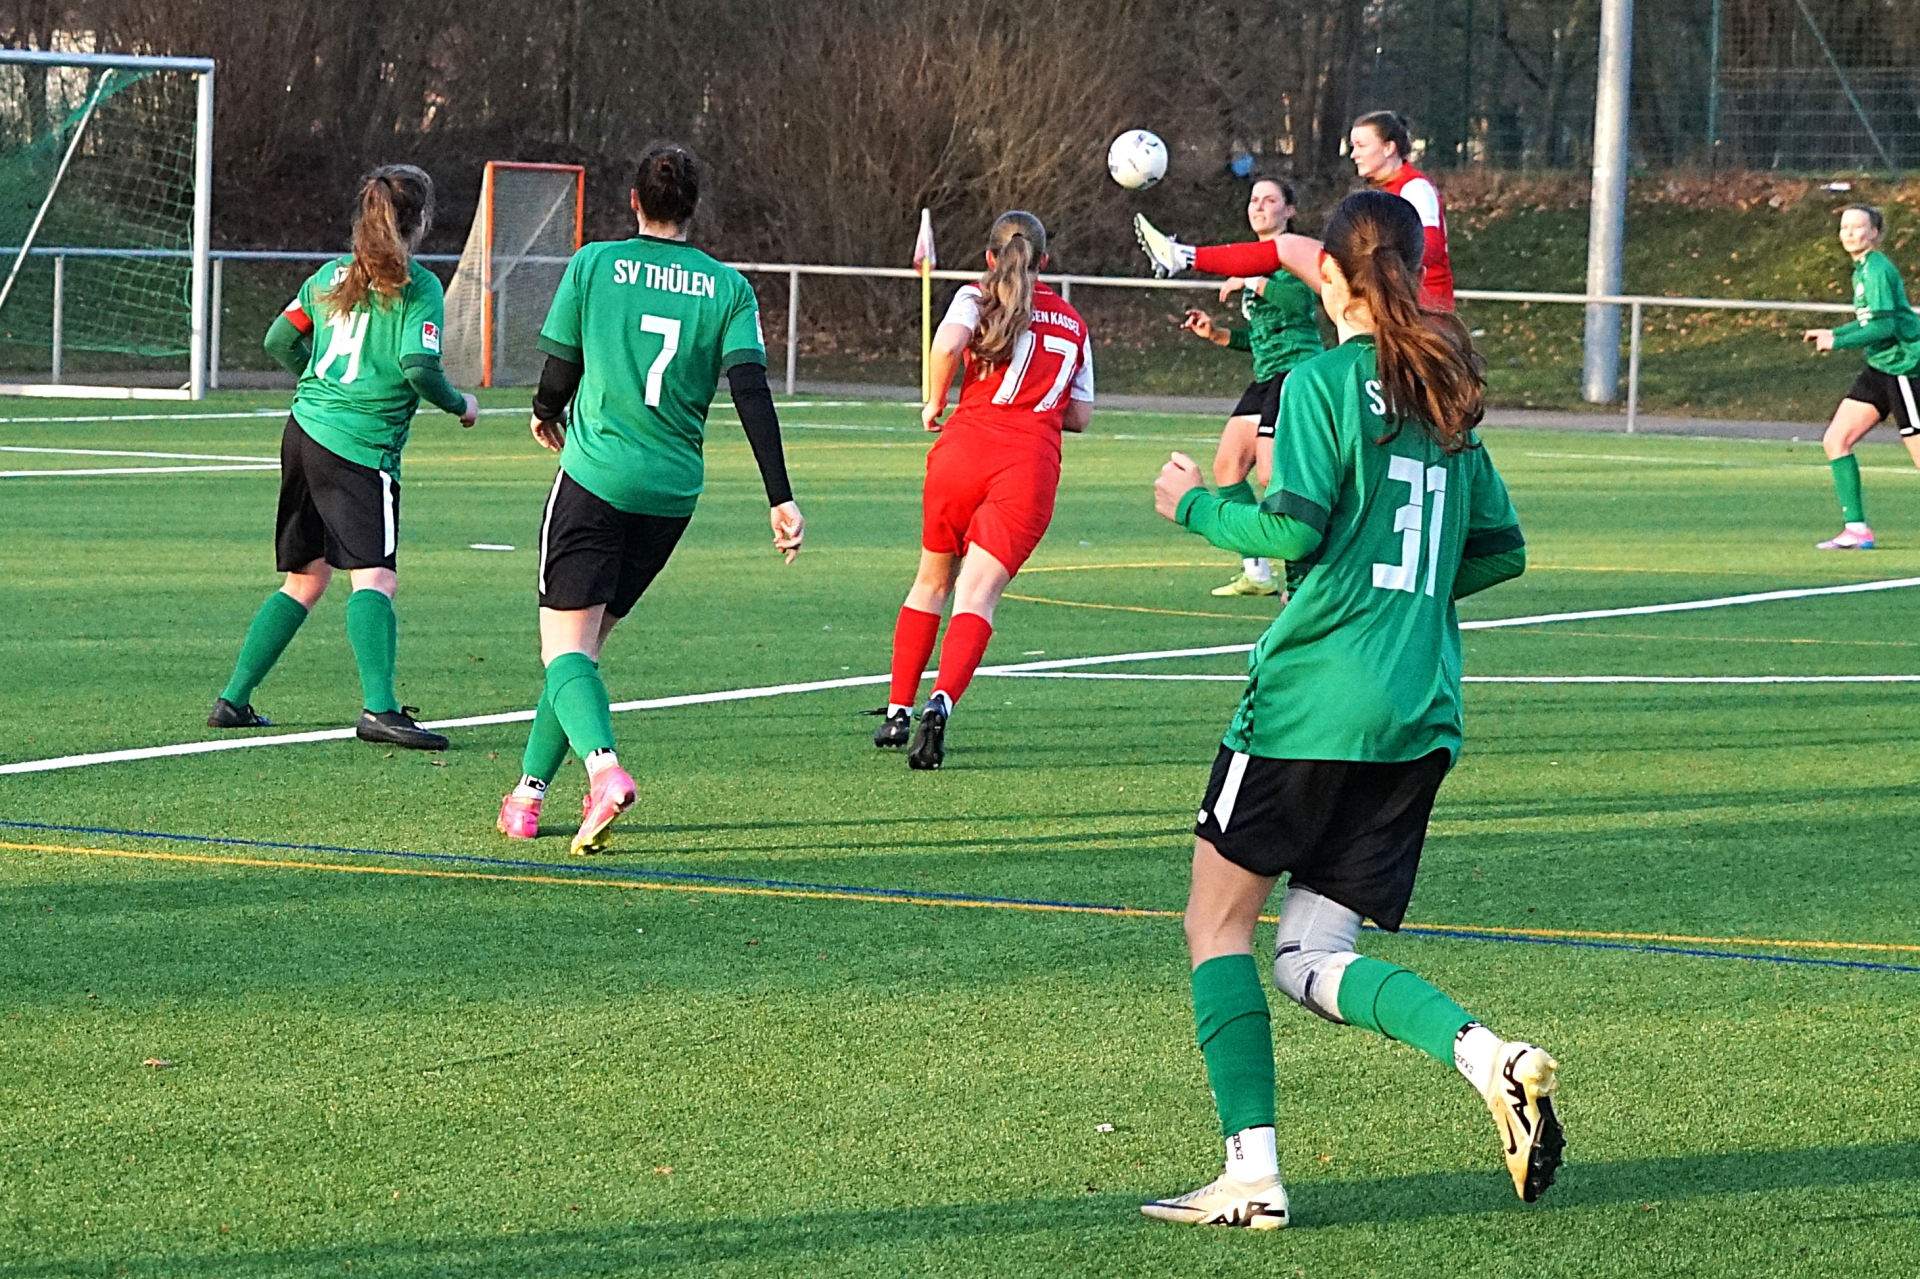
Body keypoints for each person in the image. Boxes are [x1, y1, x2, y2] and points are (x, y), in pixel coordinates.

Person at [1139, 190, 1558, 1231]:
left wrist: (1194, 504)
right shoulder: (1441, 390)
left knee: (1215, 924)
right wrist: (1405, 593)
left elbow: (1291, 532)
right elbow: (1502, 549)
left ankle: (1252, 1174)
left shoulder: (1322, 383)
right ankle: (1489, 1057)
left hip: (1308, 705)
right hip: (1417, 713)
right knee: (1309, 957)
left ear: (1326, 274)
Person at [497, 143, 805, 853]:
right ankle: (527, 797)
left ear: (633, 200)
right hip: (669, 496)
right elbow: (751, 391)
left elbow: (560, 366)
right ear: (694, 207)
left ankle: (604, 772)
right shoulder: (729, 288)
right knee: (582, 652)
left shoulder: (595, 264)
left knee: (562, 651)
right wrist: (779, 497)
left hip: (596, 477)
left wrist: (545, 410)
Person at [208, 164, 479, 751]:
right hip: (359, 448)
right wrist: (461, 405)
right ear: (421, 221)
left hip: (303, 433)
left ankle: (233, 700)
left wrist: (318, 384)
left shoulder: (330, 276)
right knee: (375, 576)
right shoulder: (417, 287)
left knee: (306, 577)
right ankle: (379, 709)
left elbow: (279, 339)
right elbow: (418, 367)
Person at [874, 211, 1093, 769]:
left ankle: (897, 710)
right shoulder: (1074, 323)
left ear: (990, 257)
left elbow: (947, 346)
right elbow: (1080, 416)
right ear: (1044, 262)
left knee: (930, 581)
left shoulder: (976, 297)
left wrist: (935, 401)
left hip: (962, 452)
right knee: (976, 596)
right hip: (1028, 468)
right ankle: (940, 704)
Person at [1134, 110, 1455, 312]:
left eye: (1361, 145)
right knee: (1284, 247)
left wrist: (1362, 260)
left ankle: (1182, 256)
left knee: (1287, 247)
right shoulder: (1385, 192)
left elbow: (1430, 250)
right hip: (1388, 298)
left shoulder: (1415, 187)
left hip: (1421, 311)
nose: (1353, 154)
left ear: (1389, 148)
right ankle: (1182, 256)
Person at [1178, 176, 1324, 597]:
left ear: (1289, 211)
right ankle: (1257, 573)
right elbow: (1262, 336)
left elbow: (1300, 303)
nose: (1259, 206)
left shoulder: (1295, 257)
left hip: (1295, 374)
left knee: (1273, 475)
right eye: (1254, 199)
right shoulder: (1253, 264)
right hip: (1267, 378)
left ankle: (1307, 575)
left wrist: (1250, 280)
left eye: (1270, 200)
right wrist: (1217, 334)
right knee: (1227, 467)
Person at [1803, 204, 1920, 550]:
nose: (1849, 233)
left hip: (1904, 366)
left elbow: (1885, 326)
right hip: (1880, 366)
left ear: (1874, 233)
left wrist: (1837, 342)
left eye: (1857, 227)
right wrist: (1835, 332)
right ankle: (1856, 530)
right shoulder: (1862, 269)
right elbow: (1870, 321)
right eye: (1844, 227)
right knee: (1836, 440)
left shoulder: (1878, 269)